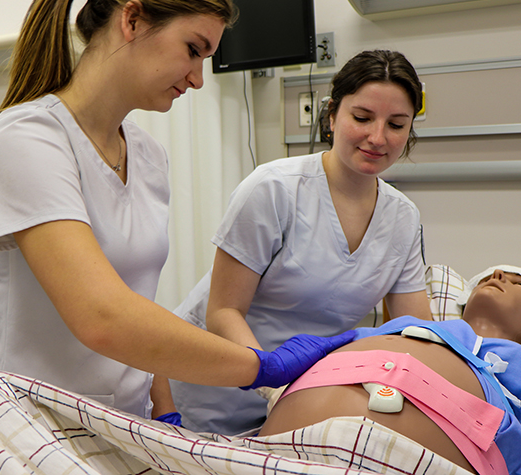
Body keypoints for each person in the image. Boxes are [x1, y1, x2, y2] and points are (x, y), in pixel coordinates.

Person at [0, 0, 353, 422]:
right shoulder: (26, 139)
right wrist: (259, 366)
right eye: (193, 50)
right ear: (132, 19)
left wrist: (164, 412)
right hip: (36, 428)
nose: (197, 78)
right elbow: (102, 317)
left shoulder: (148, 156)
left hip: (125, 425)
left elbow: (137, 307)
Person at [170, 49, 435, 434]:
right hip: (210, 390)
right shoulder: (273, 189)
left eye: (396, 124)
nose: (377, 137)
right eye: (361, 118)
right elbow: (223, 311)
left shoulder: (403, 218)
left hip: (302, 400)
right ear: (331, 115)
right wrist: (271, 382)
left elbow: (416, 331)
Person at [259, 266, 521, 475]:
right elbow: (304, 356)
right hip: (265, 453)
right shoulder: (402, 327)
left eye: (517, 281)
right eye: (491, 275)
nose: (497, 277)